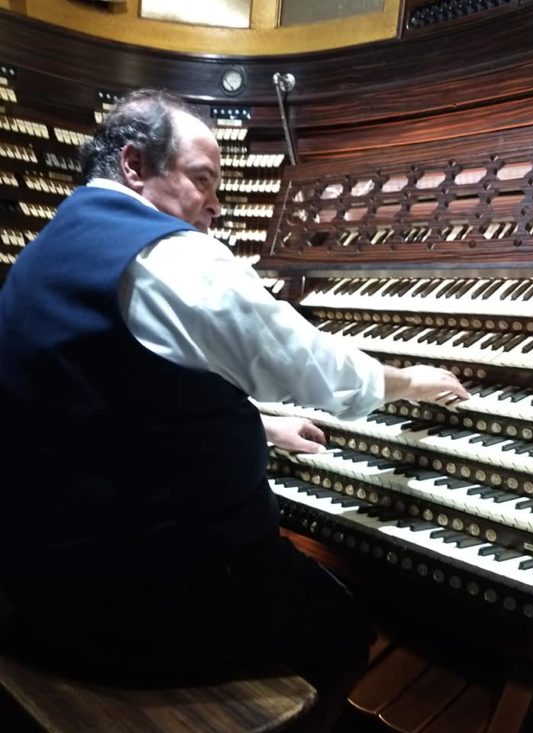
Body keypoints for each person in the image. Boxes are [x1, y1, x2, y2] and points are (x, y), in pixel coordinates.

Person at [0, 89, 469, 731]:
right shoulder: (171, 256)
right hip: (138, 602)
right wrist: (412, 381)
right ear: (134, 166)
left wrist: (259, 422)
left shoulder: (44, 251)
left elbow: (102, 399)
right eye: (202, 180)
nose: (216, 205)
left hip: (42, 583)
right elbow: (315, 369)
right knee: (344, 626)